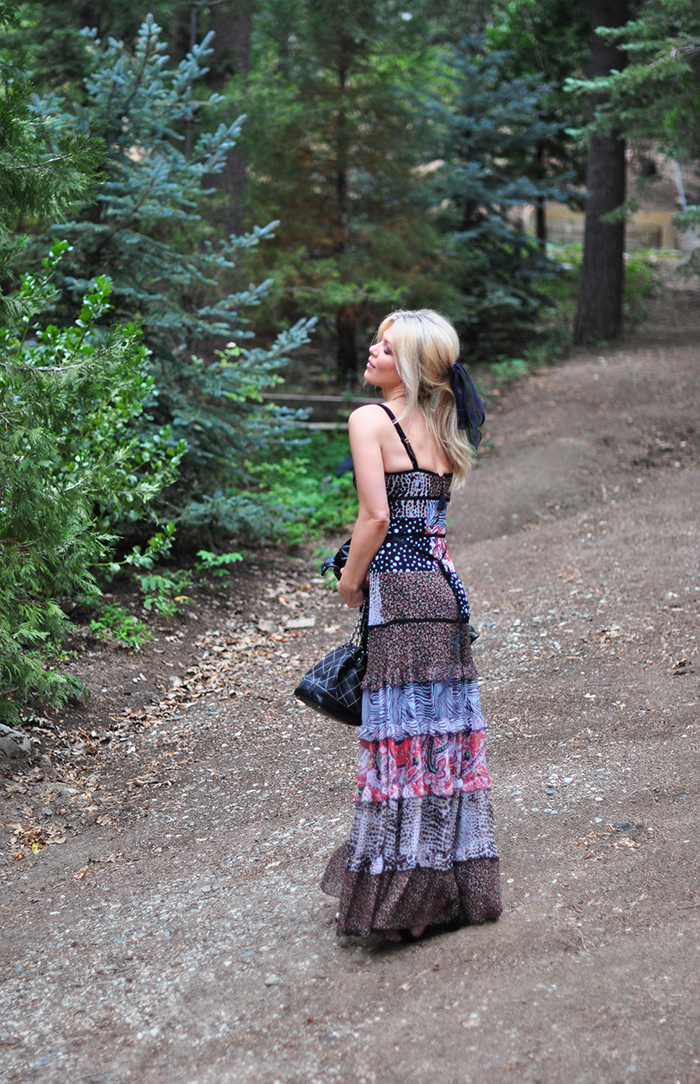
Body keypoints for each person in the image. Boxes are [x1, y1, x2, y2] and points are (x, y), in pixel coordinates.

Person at [320, 309, 502, 941]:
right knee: (441, 748)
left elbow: (375, 518)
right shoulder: (445, 424)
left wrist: (348, 582)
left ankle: (399, 901)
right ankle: (443, 889)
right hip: (445, 596)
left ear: (414, 367)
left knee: (399, 750)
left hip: (398, 598)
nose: (372, 352)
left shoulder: (370, 419)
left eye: (387, 349)